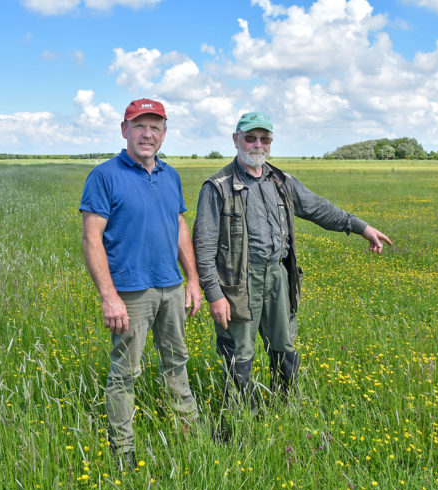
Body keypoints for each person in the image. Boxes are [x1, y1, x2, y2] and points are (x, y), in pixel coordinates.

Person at [192, 112, 392, 412]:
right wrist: (215, 295)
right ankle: (238, 420)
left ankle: (284, 410)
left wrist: (361, 227)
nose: (257, 144)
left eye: (265, 138)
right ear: (236, 139)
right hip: (238, 282)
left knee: (283, 346)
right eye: (250, 137)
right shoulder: (217, 186)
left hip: (278, 276)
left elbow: (319, 209)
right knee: (239, 352)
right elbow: (204, 247)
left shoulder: (281, 181)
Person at [79, 98, 201, 469]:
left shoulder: (170, 175)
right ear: (124, 130)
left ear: (164, 134)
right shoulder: (105, 175)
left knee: (176, 361)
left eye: (155, 127)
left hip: (171, 285)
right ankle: (123, 450)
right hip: (131, 293)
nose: (147, 134)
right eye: (139, 126)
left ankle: (188, 432)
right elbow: (91, 238)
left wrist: (192, 280)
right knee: (125, 373)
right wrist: (109, 296)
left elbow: (179, 227)